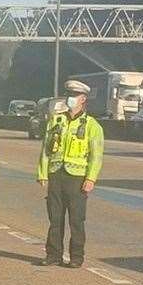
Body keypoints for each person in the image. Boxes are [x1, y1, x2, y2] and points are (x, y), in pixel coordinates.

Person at [38, 80, 104, 269]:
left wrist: (91, 178)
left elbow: (96, 155)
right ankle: (53, 255)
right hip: (56, 174)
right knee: (55, 218)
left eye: (74, 95)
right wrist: (42, 173)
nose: (70, 98)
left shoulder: (92, 125)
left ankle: (76, 256)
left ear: (83, 99)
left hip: (77, 177)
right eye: (69, 94)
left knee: (76, 219)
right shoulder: (56, 119)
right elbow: (46, 149)